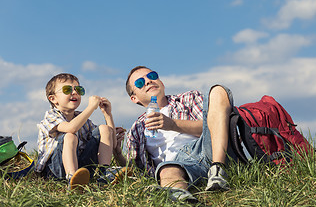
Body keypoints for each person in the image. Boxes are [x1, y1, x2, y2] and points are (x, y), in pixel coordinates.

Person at [125, 66, 238, 202]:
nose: (148, 81)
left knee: (218, 90)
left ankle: (218, 171)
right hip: (176, 166)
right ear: (134, 98)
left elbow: (215, 125)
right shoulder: (137, 129)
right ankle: (182, 199)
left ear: (162, 83)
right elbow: (135, 169)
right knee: (167, 171)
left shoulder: (187, 99)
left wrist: (172, 124)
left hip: (208, 149)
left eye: (152, 76)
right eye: (140, 83)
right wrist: (116, 151)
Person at [35, 73, 125, 190]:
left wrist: (108, 115)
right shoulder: (50, 117)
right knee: (70, 136)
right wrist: (91, 107)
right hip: (54, 169)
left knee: (104, 128)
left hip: (81, 168)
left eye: (78, 89)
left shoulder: (82, 119)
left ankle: (104, 173)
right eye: (67, 89)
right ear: (53, 99)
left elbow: (111, 143)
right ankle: (72, 179)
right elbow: (71, 128)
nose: (74, 92)